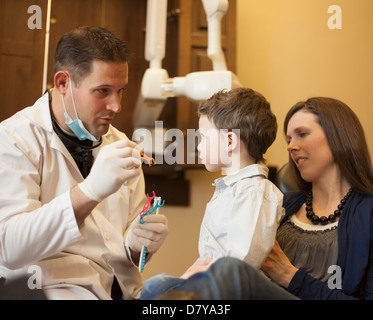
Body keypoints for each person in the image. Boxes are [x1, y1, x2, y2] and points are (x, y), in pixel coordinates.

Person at [0, 26, 169, 300]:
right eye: (102, 91)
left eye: (120, 91)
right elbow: (8, 246)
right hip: (53, 289)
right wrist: (88, 194)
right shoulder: (14, 140)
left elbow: (124, 255)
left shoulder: (120, 145)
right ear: (63, 83)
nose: (116, 106)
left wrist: (138, 245)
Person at [162, 96, 373, 300]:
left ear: (338, 136)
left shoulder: (368, 215)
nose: (290, 146)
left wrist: (289, 276)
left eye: (302, 134)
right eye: (289, 139)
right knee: (158, 285)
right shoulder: (286, 204)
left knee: (227, 270)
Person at [141, 88, 284, 299]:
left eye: (203, 137)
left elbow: (241, 262)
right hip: (213, 283)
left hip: (232, 290)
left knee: (156, 286)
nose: (198, 145)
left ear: (229, 142)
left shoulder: (255, 191)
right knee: (155, 287)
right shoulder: (230, 190)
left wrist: (195, 282)